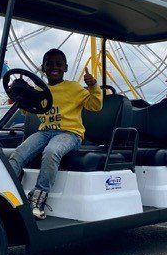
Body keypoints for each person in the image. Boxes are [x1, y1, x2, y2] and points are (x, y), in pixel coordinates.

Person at [9, 48, 103, 219]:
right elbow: (28, 111)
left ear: (65, 68)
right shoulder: (39, 90)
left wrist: (92, 86)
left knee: (52, 152)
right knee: (18, 153)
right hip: (45, 132)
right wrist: (20, 95)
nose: (54, 67)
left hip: (70, 134)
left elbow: (95, 105)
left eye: (59, 64)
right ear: (43, 68)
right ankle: (8, 193)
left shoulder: (73, 87)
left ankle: (38, 200)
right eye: (49, 64)